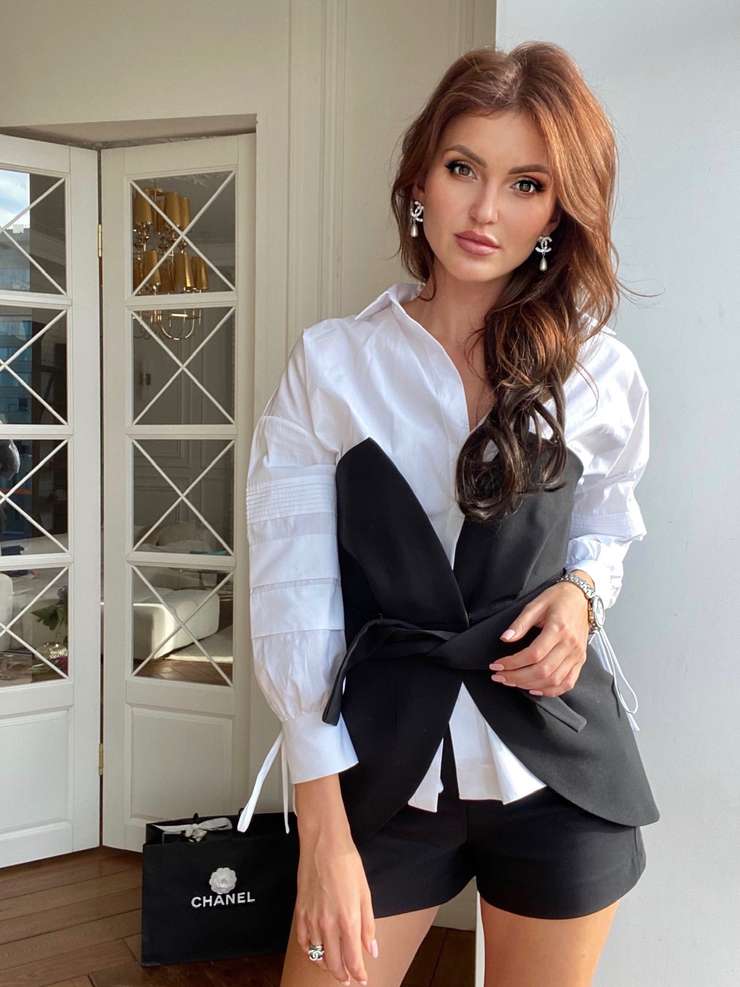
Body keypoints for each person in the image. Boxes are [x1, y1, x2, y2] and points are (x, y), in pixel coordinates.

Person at [241, 41, 660, 987]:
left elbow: (606, 520)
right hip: (381, 766)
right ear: (420, 177)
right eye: (464, 168)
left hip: (559, 767)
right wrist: (324, 834)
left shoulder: (599, 370)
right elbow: (292, 597)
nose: (485, 211)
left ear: (557, 211)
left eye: (526, 184)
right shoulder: (331, 366)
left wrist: (582, 597)